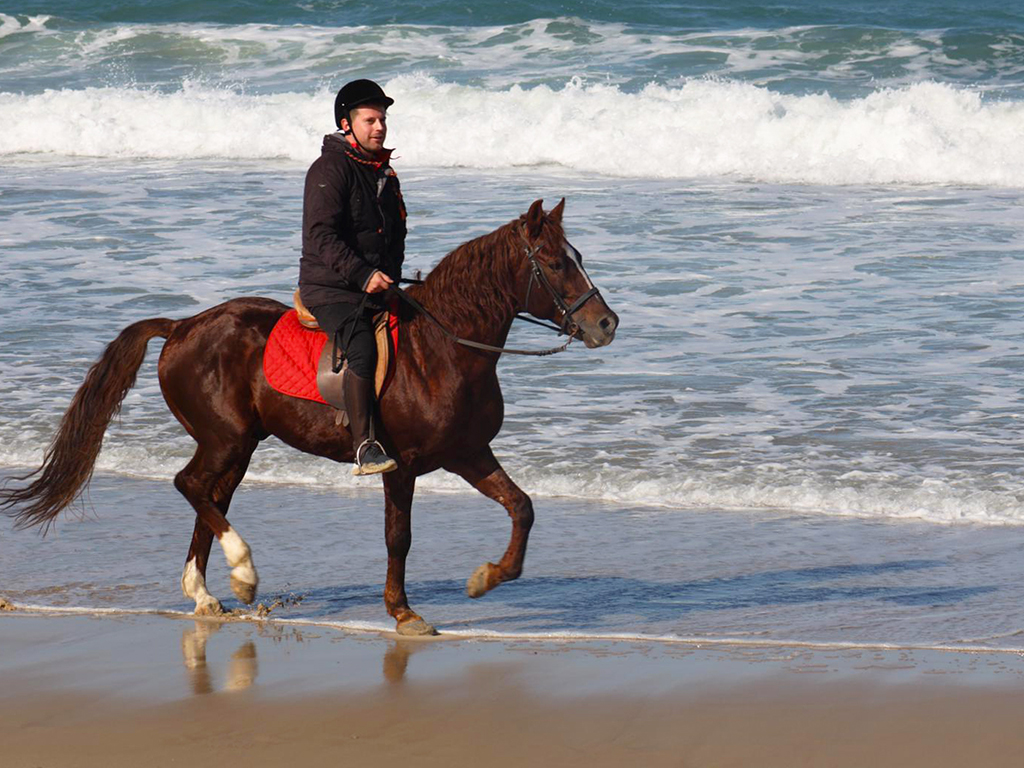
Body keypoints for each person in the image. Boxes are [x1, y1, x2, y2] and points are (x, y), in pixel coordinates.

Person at [299, 79, 406, 475]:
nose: (379, 127)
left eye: (382, 120)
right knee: (361, 346)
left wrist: (390, 278)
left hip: (374, 284)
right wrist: (364, 275)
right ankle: (365, 446)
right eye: (370, 120)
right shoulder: (329, 168)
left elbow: (395, 237)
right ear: (347, 124)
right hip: (330, 287)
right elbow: (320, 236)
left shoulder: (384, 172)